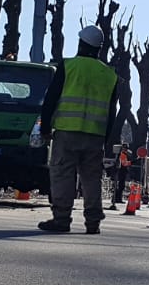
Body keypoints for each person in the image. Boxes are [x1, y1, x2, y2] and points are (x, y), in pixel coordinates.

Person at [37, 25, 119, 234]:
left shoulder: (68, 66)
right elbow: (112, 112)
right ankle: (93, 221)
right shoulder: (109, 74)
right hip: (95, 135)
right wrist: (107, 139)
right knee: (91, 178)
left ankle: (62, 219)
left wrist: (45, 127)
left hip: (67, 132)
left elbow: (51, 99)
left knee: (63, 174)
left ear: (81, 43)